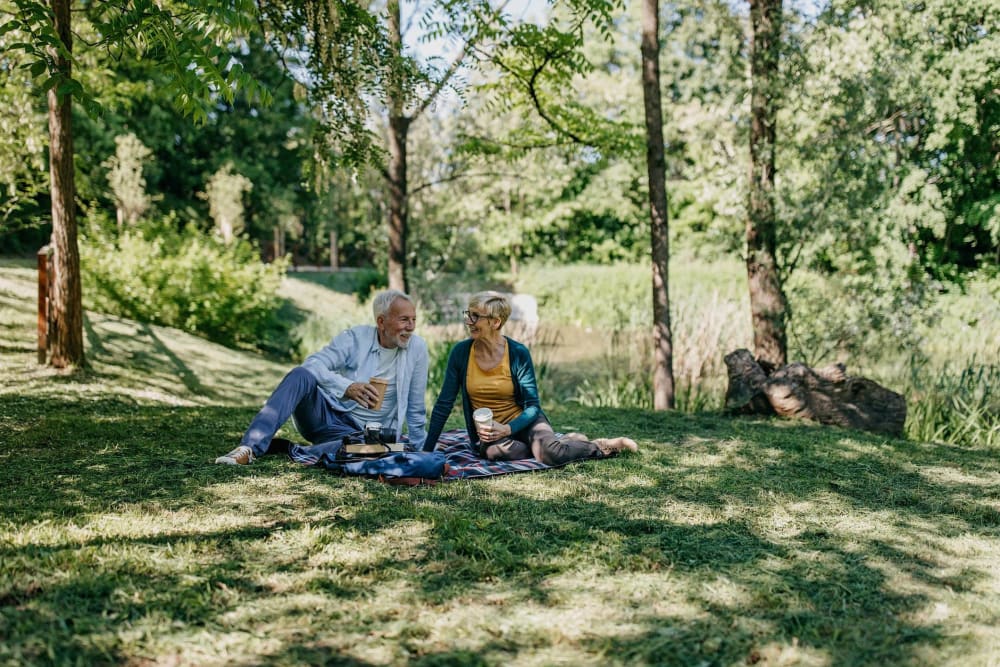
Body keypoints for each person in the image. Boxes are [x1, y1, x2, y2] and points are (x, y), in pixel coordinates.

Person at [216, 289, 428, 464]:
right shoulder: (355, 338)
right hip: (326, 416)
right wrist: (347, 387)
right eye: (404, 320)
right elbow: (313, 364)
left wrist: (422, 450)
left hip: (367, 436)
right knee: (300, 374)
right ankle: (249, 448)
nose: (410, 327)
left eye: (413, 320)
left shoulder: (417, 349)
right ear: (381, 322)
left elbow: (416, 407)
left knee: (377, 449)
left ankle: (307, 451)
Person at [422, 291, 637, 464]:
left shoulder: (517, 353)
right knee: (493, 453)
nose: (468, 321)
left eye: (475, 316)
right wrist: (427, 449)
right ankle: (559, 443)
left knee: (551, 456)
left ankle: (599, 446)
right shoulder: (461, 353)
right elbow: (444, 403)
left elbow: (533, 406)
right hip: (490, 435)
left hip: (525, 422)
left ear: (495, 323)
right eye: (467, 314)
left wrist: (508, 428)